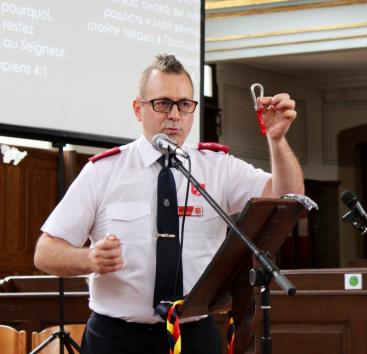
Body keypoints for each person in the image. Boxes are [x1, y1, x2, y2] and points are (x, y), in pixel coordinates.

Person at [33, 53, 304, 354]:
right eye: (163, 103)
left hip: (195, 336)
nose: (175, 115)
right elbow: (45, 253)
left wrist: (277, 141)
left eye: (184, 104)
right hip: (117, 338)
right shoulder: (104, 172)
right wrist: (89, 260)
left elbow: (288, 199)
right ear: (138, 109)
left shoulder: (216, 167)